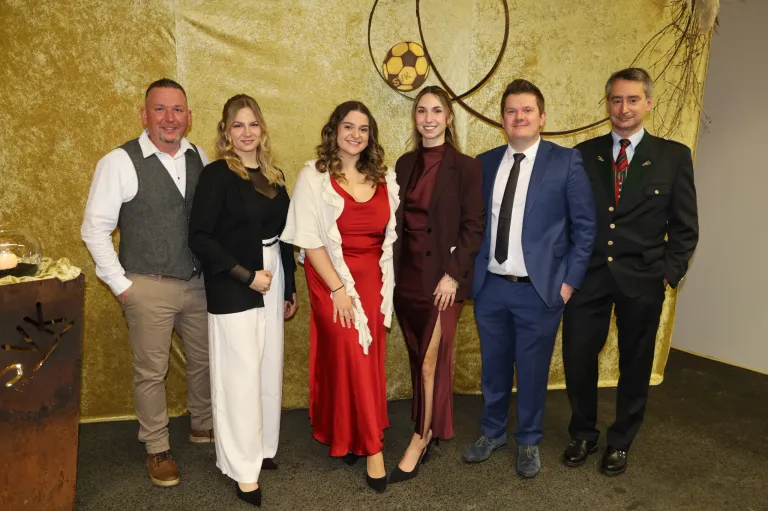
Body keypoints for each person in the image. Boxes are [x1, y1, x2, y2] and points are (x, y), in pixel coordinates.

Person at [562, 68, 699, 476]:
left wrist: (666, 274)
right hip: (588, 278)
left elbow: (686, 226)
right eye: (616, 100)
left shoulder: (674, 156)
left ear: (648, 103)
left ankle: (620, 440)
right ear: (607, 104)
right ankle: (583, 433)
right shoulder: (583, 154)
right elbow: (569, 219)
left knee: (636, 365)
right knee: (578, 358)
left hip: (643, 280)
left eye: (633, 100)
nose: (624, 108)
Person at [81, 78, 212, 487]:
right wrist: (121, 285)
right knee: (151, 372)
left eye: (177, 110)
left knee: (206, 361)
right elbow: (94, 229)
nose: (169, 118)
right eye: (160, 109)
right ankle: (157, 446)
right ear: (144, 115)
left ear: (188, 117)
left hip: (197, 282)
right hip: (146, 284)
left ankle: (203, 424)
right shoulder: (119, 161)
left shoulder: (200, 156)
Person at [462, 79, 597, 478]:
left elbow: (585, 227)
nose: (518, 117)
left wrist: (568, 282)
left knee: (534, 369)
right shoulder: (483, 163)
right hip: (491, 287)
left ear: (542, 117)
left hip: (540, 289)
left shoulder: (565, 162)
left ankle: (530, 439)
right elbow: (472, 223)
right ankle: (492, 432)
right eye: (510, 111)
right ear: (502, 120)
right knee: (494, 367)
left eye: (526, 110)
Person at [280, 101, 399, 493]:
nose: (355, 135)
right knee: (349, 349)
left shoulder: (385, 178)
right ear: (334, 130)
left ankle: (347, 432)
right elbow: (309, 240)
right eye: (348, 126)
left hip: (374, 280)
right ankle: (373, 447)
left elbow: (392, 237)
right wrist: (338, 290)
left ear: (371, 136)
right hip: (330, 277)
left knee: (365, 357)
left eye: (363, 129)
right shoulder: (313, 176)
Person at [188, 94, 297, 506]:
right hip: (235, 278)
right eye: (238, 126)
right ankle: (240, 466)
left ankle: (262, 448)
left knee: (268, 366)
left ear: (262, 130)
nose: (246, 133)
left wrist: (288, 289)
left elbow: (286, 235)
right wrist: (246, 276)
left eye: (253, 125)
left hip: (274, 274)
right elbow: (199, 236)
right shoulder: (217, 175)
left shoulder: (275, 175)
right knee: (240, 374)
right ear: (226, 133)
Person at [389, 86, 484, 484]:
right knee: (417, 357)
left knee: (429, 360)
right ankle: (429, 417)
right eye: (422, 111)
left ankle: (421, 437)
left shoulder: (466, 167)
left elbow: (474, 226)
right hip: (406, 276)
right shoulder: (404, 163)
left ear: (448, 118)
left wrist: (452, 275)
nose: (428, 118)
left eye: (436, 111)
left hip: (443, 282)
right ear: (415, 118)